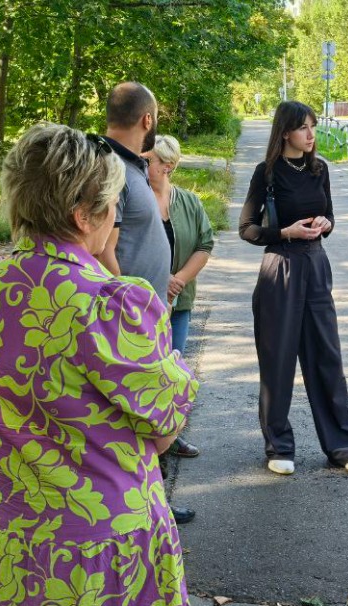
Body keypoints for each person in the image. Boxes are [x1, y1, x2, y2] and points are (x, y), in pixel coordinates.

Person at [0, 123, 202, 606]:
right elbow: (162, 432)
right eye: (113, 206)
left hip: (12, 543)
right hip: (101, 550)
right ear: (81, 215)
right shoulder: (114, 305)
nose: (117, 219)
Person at [239, 101, 348, 477]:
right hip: (280, 266)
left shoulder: (319, 169)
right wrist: (285, 232)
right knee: (278, 359)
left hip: (315, 265)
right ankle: (279, 445)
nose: (311, 135)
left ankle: (343, 446)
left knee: (326, 356)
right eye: (303, 128)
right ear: (285, 132)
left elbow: (330, 218)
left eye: (313, 126)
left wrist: (324, 224)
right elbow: (247, 228)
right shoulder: (266, 173)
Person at [96, 81, 197, 524]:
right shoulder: (110, 167)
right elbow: (103, 247)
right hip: (127, 318)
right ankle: (144, 506)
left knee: (148, 416)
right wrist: (131, 305)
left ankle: (151, 499)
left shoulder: (130, 165)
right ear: (147, 120)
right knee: (140, 416)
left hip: (145, 311)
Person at [145, 134, 215, 459]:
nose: (144, 166)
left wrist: (179, 280)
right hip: (143, 302)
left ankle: (170, 437)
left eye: (150, 161)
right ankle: (146, 442)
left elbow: (204, 244)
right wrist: (161, 280)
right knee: (147, 371)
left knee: (173, 370)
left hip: (178, 302)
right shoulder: (136, 201)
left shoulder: (189, 202)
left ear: (168, 166)